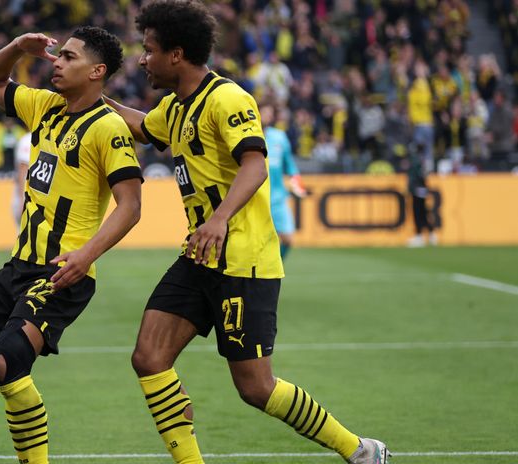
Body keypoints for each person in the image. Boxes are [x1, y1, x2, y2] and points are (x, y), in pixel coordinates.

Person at [105, 1, 390, 463]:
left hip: (243, 259)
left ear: (176, 55)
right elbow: (139, 125)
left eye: (149, 50)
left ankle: (359, 450)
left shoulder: (228, 99)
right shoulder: (174, 109)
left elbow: (255, 165)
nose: (142, 59)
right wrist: (91, 94)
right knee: (149, 357)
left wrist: (219, 218)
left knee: (255, 388)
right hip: (199, 255)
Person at [0, 26, 143, 464]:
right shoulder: (44, 107)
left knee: (8, 362)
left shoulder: (109, 128)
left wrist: (86, 255)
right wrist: (19, 48)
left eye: (70, 57)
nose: (57, 61)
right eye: (60, 55)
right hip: (18, 268)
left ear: (97, 71)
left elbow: (130, 206)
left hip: (61, 273)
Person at [261, 102, 305, 259]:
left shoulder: (279, 137)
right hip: (255, 199)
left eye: (270, 113)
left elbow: (290, 165)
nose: (268, 116)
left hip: (277, 198)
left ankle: (273, 269)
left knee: (288, 238)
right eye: (264, 112)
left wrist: (297, 183)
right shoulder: (246, 136)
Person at [405, 144, 438, 247]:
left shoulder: (415, 160)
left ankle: (420, 235)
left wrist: (411, 188)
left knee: (418, 212)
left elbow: (416, 177)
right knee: (423, 212)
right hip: (421, 189)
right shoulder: (423, 159)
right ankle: (431, 233)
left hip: (417, 189)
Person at [11, 132, 31, 225]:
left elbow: (23, 171)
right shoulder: (28, 139)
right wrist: (21, 199)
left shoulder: (28, 139)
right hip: (29, 194)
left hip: (30, 196)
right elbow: (23, 170)